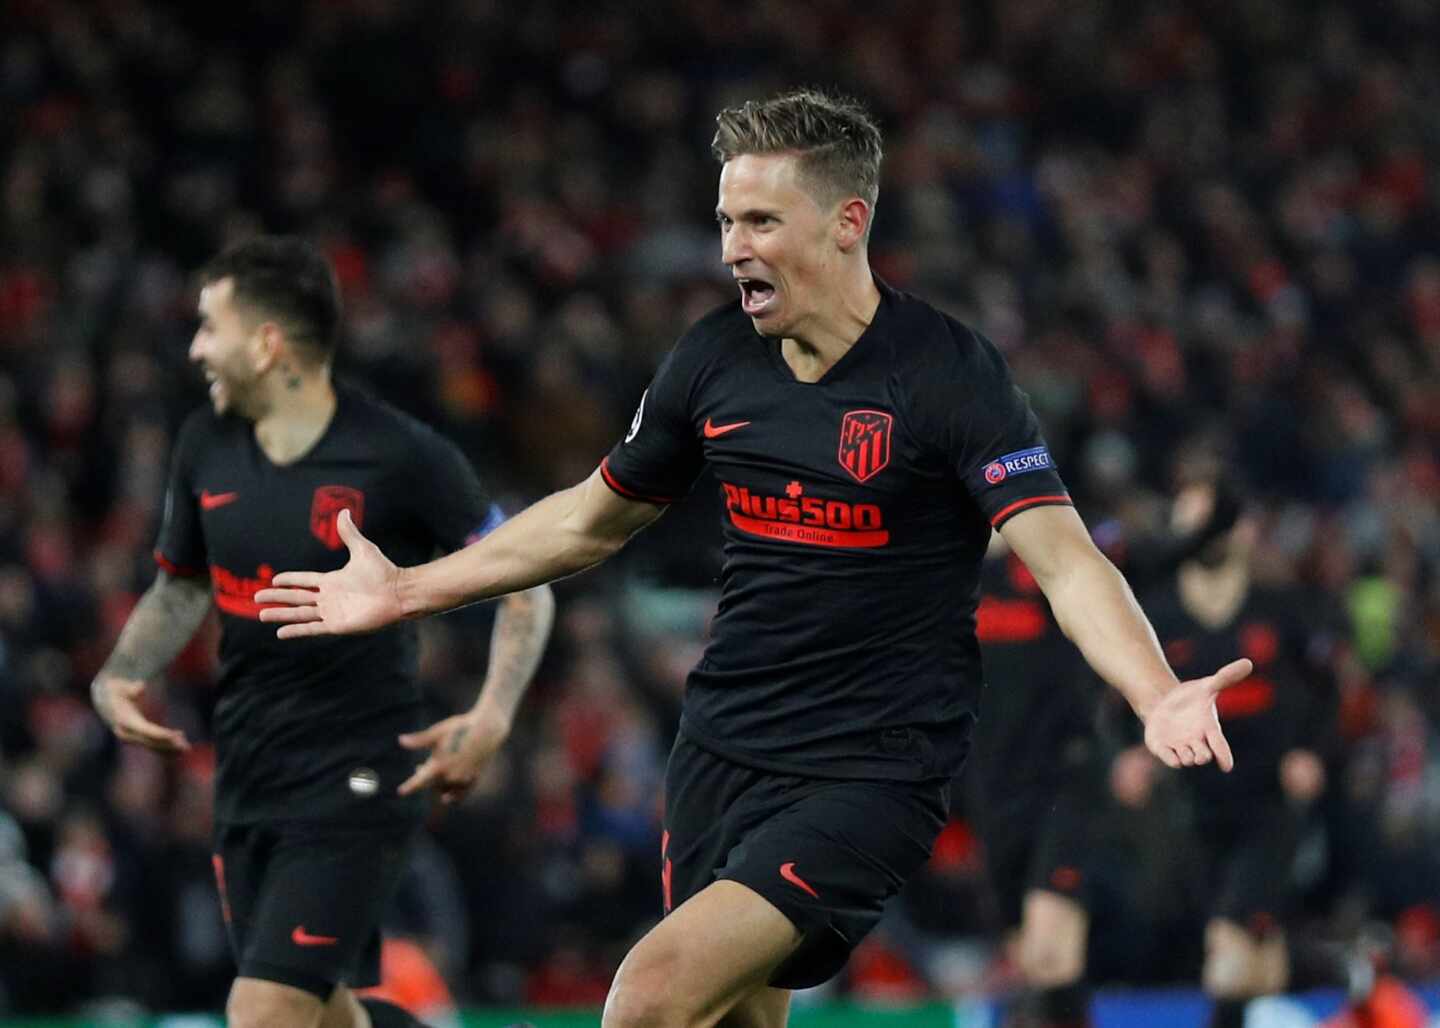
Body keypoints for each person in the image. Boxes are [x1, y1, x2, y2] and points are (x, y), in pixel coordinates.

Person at [256, 91, 1250, 1028]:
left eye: (762, 222)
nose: (734, 247)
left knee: (646, 995)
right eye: (728, 221)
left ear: (847, 223)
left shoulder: (947, 376)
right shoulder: (712, 359)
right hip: (721, 750)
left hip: (869, 768)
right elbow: (590, 520)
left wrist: (1155, 689)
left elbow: (1068, 560)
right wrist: (404, 588)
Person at [90, 237, 555, 1028]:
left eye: (210, 327)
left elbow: (527, 585)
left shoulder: (399, 454)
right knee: (321, 1011)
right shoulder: (204, 445)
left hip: (358, 772)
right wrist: (117, 673)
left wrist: (495, 712)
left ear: (268, 344)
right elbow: (181, 588)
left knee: (263, 1011)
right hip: (246, 769)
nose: (196, 347)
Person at [969, 480, 1240, 1028]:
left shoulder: (1057, 551)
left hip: (1068, 774)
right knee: (1030, 953)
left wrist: (1215, 517)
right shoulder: (945, 571)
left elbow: (1151, 557)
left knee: (1050, 947)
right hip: (989, 783)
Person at [1142, 491, 1350, 1028]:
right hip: (1191, 809)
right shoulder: (1157, 615)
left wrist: (1311, 751)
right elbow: (1128, 695)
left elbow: (1330, 687)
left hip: (1268, 806)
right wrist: (1131, 753)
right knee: (1251, 959)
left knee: (1227, 951)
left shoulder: (1279, 607)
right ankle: (1350, 974)